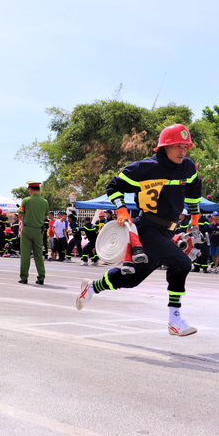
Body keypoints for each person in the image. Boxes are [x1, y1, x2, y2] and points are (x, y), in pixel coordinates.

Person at [76, 123, 202, 336]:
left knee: (132, 279)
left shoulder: (187, 167)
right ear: (164, 147)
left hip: (167, 231)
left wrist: (195, 217)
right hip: (147, 228)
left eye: (185, 146)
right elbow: (113, 187)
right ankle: (175, 320)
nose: (183, 151)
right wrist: (122, 210)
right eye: (178, 146)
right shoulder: (143, 168)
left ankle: (91, 288)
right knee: (181, 263)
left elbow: (193, 188)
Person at [17, 181, 49, 284]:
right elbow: (45, 216)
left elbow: (20, 215)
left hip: (27, 229)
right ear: (39, 190)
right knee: (38, 254)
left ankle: (24, 277)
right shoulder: (45, 202)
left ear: (30, 190)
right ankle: (41, 278)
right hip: (38, 230)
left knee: (25, 254)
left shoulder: (26, 200)